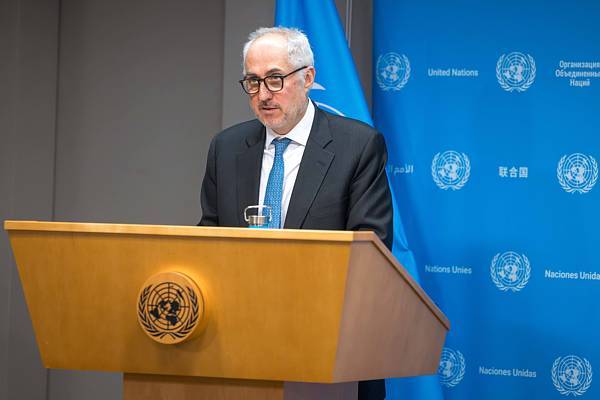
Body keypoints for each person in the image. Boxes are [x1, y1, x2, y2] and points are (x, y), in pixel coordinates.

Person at [199, 27, 392, 400]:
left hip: (327, 348)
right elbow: (209, 239)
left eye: (275, 79)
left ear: (308, 78)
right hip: (240, 346)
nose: (263, 94)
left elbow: (370, 252)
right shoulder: (226, 148)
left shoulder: (358, 146)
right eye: (253, 82)